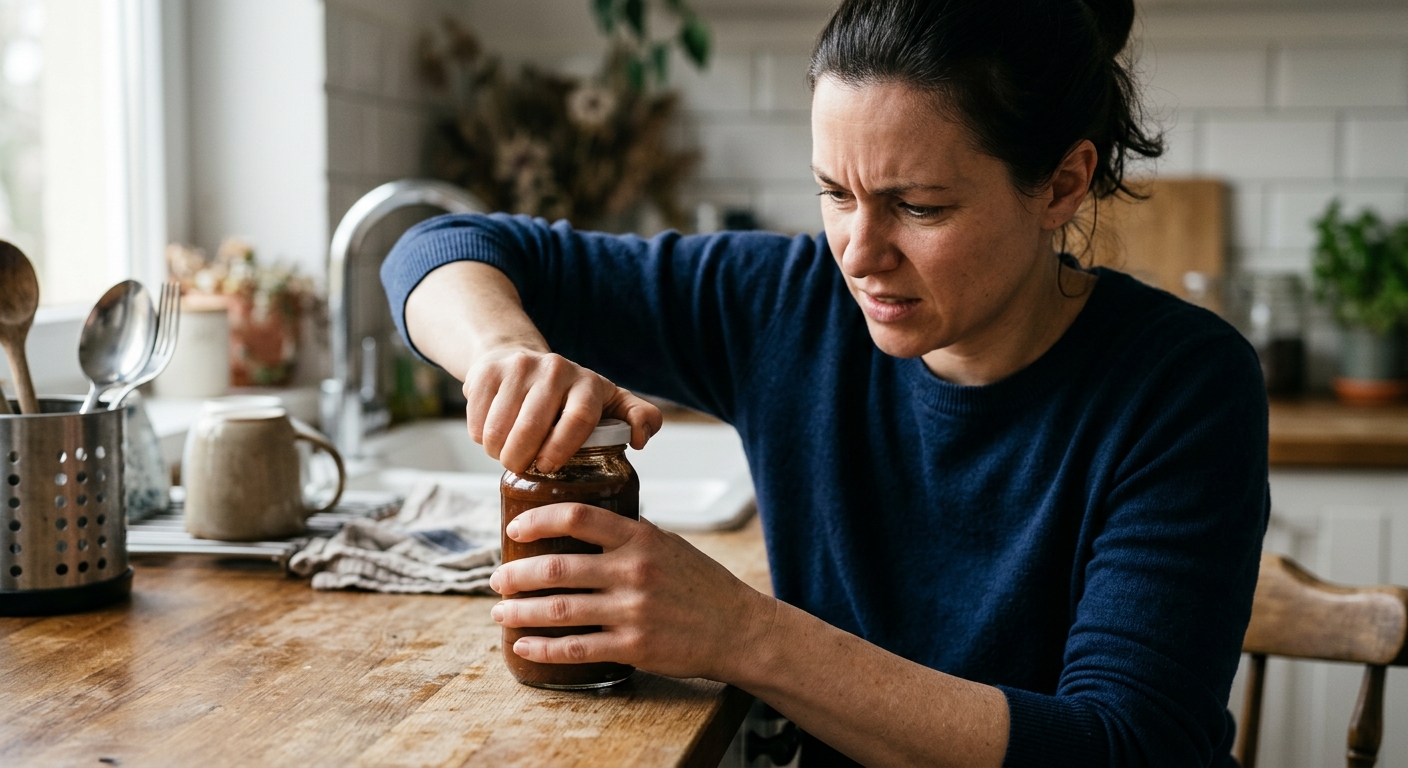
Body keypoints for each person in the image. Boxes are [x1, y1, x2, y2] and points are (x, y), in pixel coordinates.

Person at [380, 0, 1269, 764]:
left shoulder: (1183, 386)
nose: (860, 254)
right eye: (835, 193)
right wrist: (504, 353)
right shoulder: (783, 301)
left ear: (1063, 185)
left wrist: (740, 633)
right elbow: (438, 248)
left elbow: (1126, 747)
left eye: (919, 206)